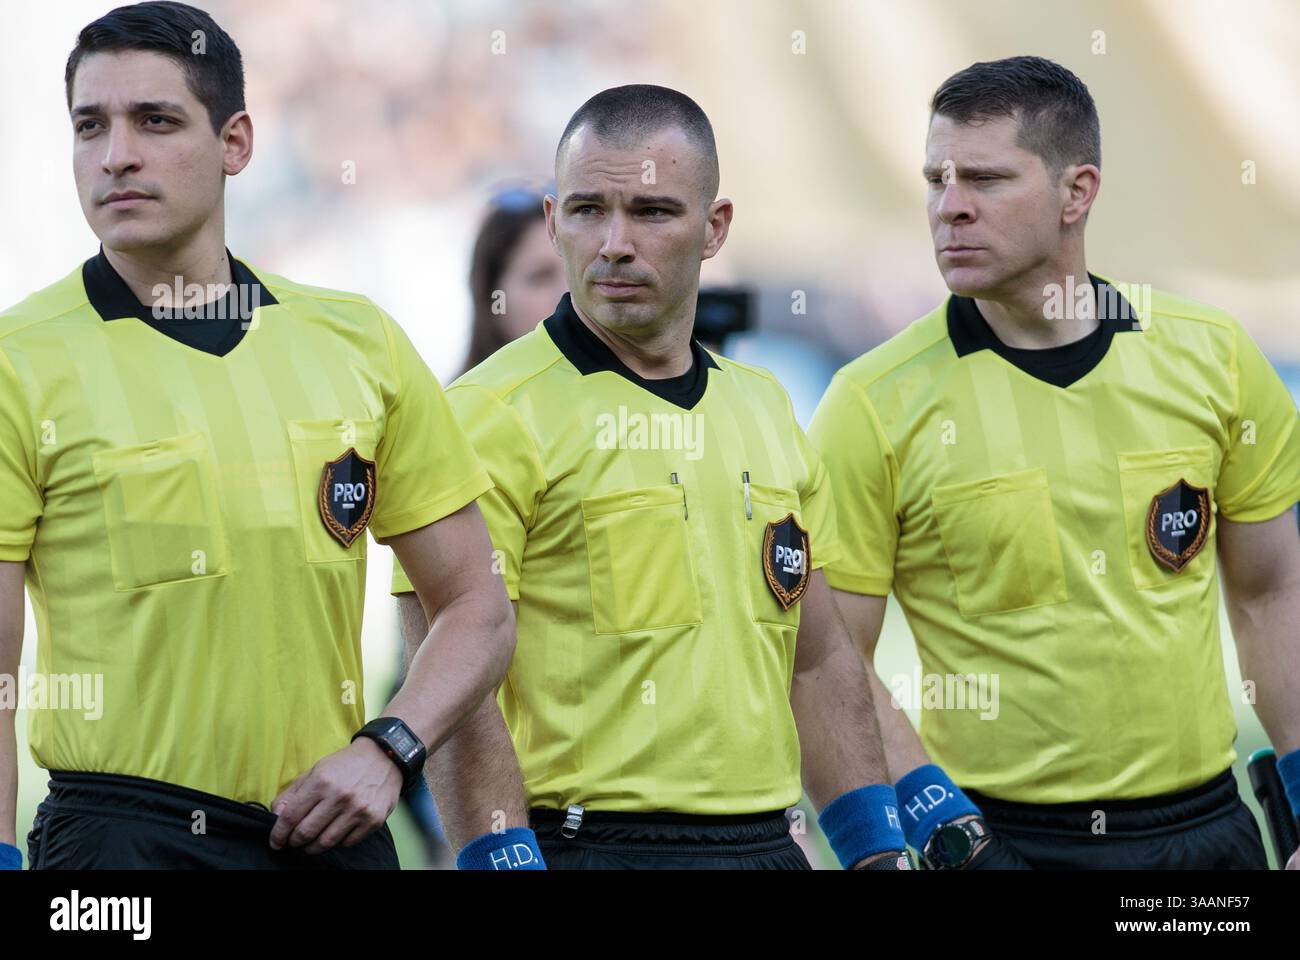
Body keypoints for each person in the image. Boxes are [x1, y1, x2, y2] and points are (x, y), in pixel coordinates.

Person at [0, 1, 540, 871]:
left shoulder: (357, 341)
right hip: (122, 841)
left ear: (237, 143)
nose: (116, 155)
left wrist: (388, 750)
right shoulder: (16, 363)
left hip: (330, 835)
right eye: (89, 126)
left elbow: (476, 606)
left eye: (156, 120)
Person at [393, 84, 910, 870]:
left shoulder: (766, 408)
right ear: (551, 219)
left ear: (715, 227)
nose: (614, 243)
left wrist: (876, 849)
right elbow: (458, 688)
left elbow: (819, 658)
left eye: (654, 212)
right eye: (587, 210)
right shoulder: (484, 415)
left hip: (772, 846)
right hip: (590, 848)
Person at [809, 55, 1300, 869]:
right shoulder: (871, 404)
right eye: (937, 179)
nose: (949, 208)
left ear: (1077, 192)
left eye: (987, 180)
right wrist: (944, 835)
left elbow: (1271, 591)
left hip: (1207, 837)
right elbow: (831, 663)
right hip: (1004, 844)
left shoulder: (1215, 358)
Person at [390, 185, 566, 867]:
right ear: (489, 294)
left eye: (566, 271)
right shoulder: (455, 426)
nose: (562, 295)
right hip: (501, 803)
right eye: (538, 276)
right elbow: (428, 641)